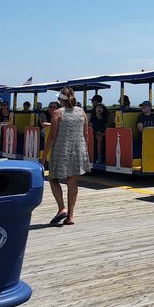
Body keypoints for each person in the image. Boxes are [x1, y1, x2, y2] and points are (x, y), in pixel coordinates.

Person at [44, 87, 91, 226]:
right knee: (72, 182)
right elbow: (86, 134)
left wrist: (44, 155)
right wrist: (84, 150)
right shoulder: (81, 112)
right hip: (78, 149)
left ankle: (61, 208)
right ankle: (70, 217)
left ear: (60, 100)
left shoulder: (57, 113)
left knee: (53, 179)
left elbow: (52, 136)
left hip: (61, 150)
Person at [89, 95, 108, 163]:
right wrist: (96, 133)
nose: (99, 109)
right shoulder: (93, 118)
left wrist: (103, 133)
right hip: (95, 133)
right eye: (98, 108)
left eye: (101, 108)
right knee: (100, 139)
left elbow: (107, 127)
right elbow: (91, 128)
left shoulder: (105, 118)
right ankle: (99, 157)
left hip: (103, 133)